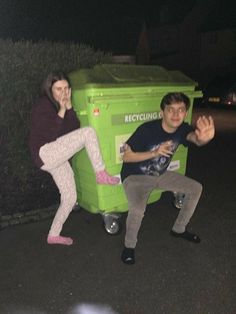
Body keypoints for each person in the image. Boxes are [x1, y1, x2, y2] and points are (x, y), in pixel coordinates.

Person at [120, 92, 215, 264]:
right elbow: (126, 157)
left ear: (185, 112)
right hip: (135, 177)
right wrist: (154, 152)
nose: (176, 114)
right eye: (170, 109)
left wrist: (204, 139)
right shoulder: (147, 130)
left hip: (159, 174)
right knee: (138, 210)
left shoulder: (183, 129)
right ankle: (129, 246)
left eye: (180, 110)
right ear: (162, 112)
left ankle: (179, 229)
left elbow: (195, 139)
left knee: (196, 188)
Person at [29, 71, 119, 246]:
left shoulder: (62, 103)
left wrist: (69, 108)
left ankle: (53, 235)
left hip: (57, 155)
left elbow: (73, 129)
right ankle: (100, 172)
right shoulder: (43, 106)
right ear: (50, 89)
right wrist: (62, 110)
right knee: (89, 132)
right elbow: (49, 135)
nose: (62, 93)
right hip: (45, 152)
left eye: (65, 88)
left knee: (70, 197)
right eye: (58, 89)